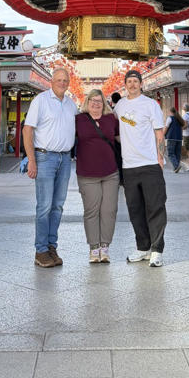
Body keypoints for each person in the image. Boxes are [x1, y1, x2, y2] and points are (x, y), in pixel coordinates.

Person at [21, 67, 78, 268]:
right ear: (51, 82)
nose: (62, 83)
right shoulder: (41, 101)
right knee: (44, 206)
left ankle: (51, 246)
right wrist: (31, 160)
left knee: (58, 206)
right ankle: (41, 250)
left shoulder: (71, 105)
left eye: (65, 80)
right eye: (59, 79)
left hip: (65, 159)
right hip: (44, 157)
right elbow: (27, 130)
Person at [114, 69, 167, 267]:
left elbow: (159, 134)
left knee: (155, 208)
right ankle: (143, 247)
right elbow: (117, 131)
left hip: (149, 164)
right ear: (125, 84)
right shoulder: (119, 106)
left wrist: (160, 159)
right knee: (135, 210)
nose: (133, 84)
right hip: (129, 166)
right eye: (129, 81)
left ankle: (157, 250)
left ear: (141, 84)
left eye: (136, 81)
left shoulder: (150, 105)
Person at [75, 89, 121, 263]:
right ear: (87, 102)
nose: (96, 103)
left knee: (109, 211)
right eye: (92, 100)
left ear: (104, 103)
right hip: (87, 174)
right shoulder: (78, 119)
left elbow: (120, 139)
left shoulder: (111, 119)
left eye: (99, 101)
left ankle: (105, 247)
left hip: (110, 172)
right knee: (91, 211)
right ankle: (94, 248)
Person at [164, 107, 184, 172]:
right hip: (179, 138)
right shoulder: (179, 119)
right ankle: (176, 168)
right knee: (177, 154)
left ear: (170, 112)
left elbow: (166, 128)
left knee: (170, 153)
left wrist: (163, 135)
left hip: (171, 137)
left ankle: (176, 166)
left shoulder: (170, 118)